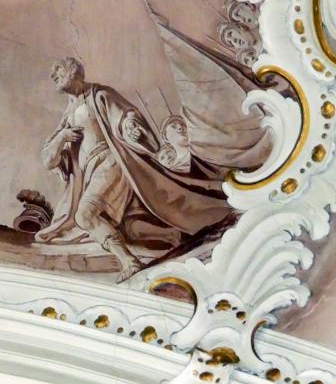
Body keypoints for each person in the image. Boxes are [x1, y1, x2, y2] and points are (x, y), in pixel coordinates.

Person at [37, 57, 231, 282]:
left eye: (58, 70)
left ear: (73, 71)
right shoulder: (68, 114)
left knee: (85, 215)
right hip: (90, 173)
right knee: (129, 227)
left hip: (110, 162)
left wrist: (130, 126)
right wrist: (62, 136)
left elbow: (126, 115)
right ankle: (175, 235)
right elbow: (48, 159)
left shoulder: (99, 95)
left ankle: (129, 261)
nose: (53, 76)